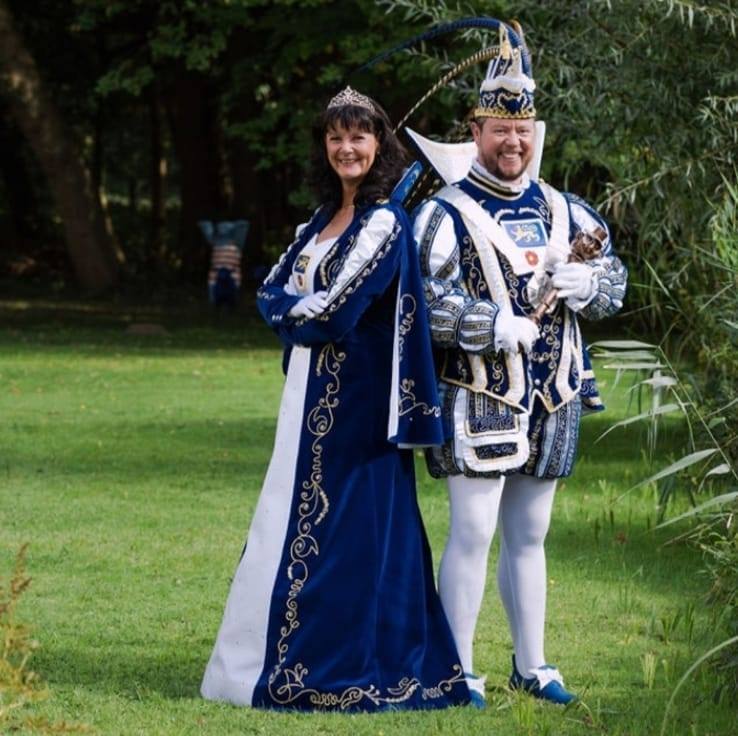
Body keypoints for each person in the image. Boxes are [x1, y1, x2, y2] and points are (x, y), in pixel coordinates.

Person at [200, 87, 470, 712]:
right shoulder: (315, 225)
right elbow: (269, 293)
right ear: (323, 147)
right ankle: (279, 655)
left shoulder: (386, 223)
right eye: (335, 137)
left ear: (379, 145)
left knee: (350, 530)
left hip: (357, 404)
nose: (346, 148)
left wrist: (295, 313)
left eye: (358, 137)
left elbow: (340, 314)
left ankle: (340, 660)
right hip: (307, 394)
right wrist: (296, 310)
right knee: (288, 519)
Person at [411, 25, 627, 707]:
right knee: (473, 531)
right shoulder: (444, 215)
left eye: (523, 129)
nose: (513, 142)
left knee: (530, 533)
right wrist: (489, 323)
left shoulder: (568, 210)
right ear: (475, 130)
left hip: (555, 394)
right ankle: (455, 670)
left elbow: (616, 282)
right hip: (478, 394)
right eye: (499, 129)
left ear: (536, 131)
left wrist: (593, 286)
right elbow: (422, 305)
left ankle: (532, 664)